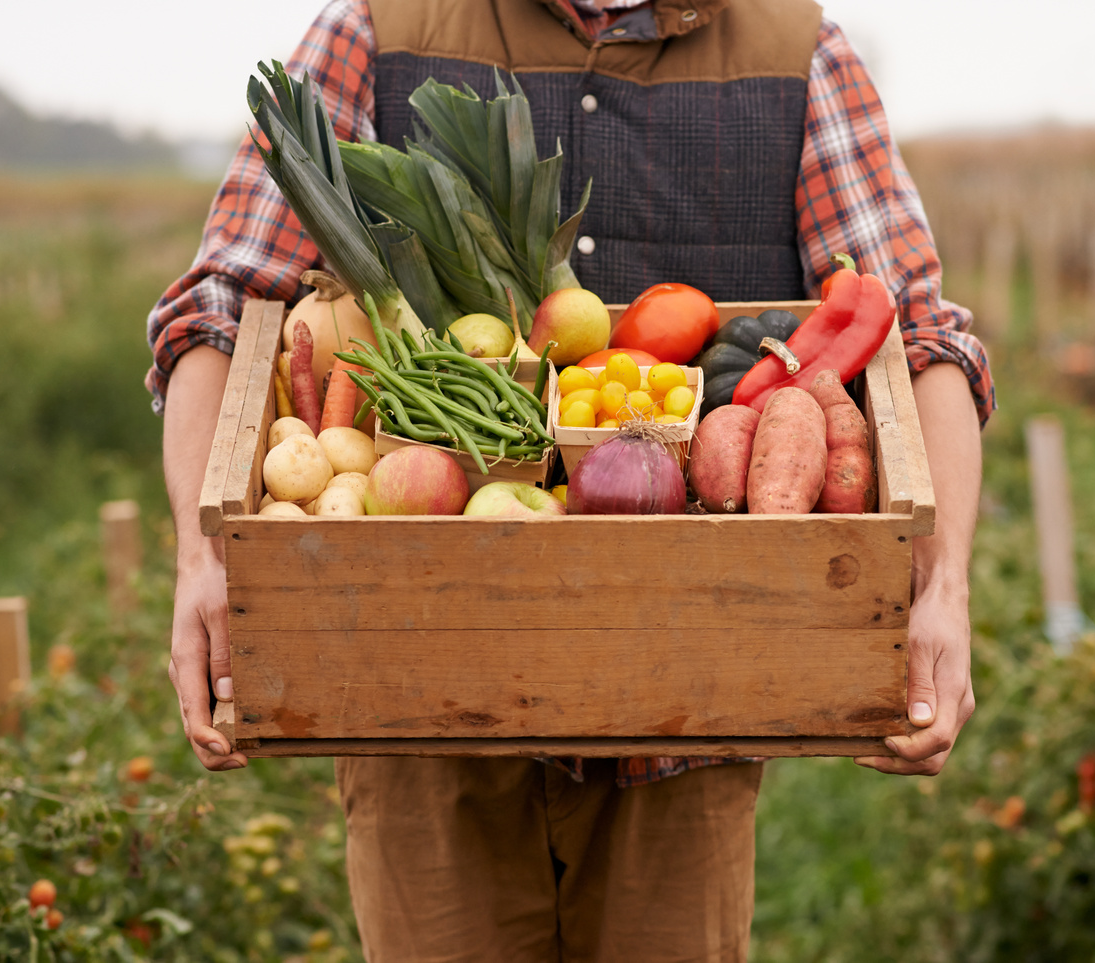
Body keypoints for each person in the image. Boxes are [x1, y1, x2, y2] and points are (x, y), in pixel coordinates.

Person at [149, 0, 995, 958]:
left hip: (690, 712)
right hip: (423, 708)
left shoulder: (797, 50)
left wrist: (944, 586)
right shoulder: (376, 28)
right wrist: (202, 558)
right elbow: (221, 310)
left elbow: (920, 338)